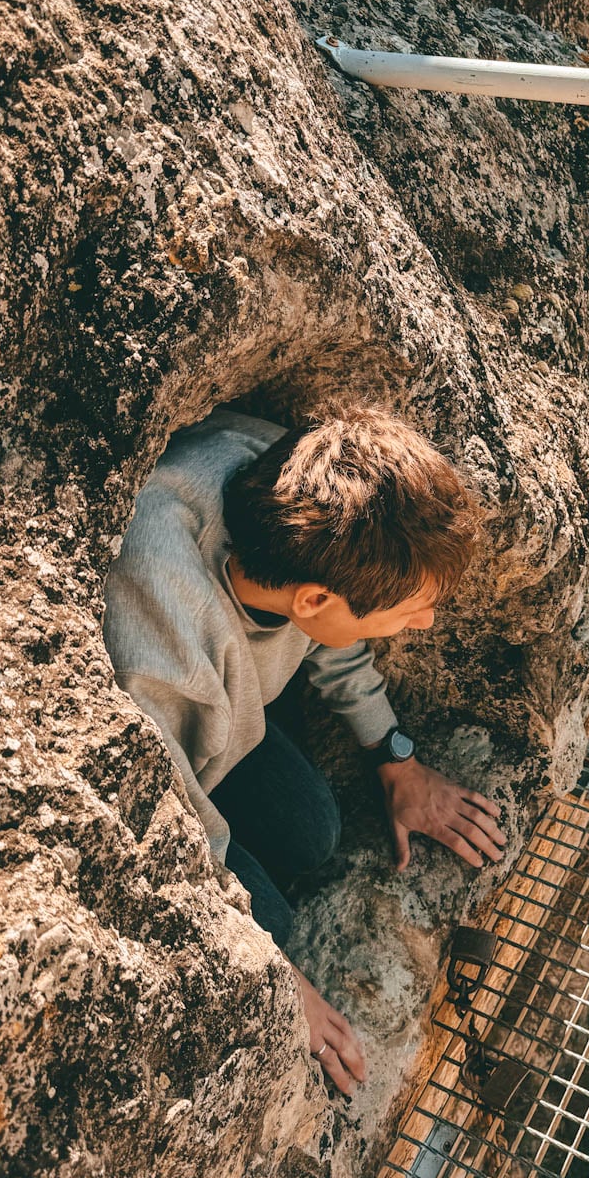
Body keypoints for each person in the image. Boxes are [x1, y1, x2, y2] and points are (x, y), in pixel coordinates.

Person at [101, 401, 506, 1096]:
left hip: (228, 725)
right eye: (406, 611)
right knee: (276, 926)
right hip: (165, 768)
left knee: (315, 831)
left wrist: (394, 755)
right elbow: (160, 814)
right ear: (316, 600)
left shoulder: (290, 476)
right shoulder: (165, 647)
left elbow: (335, 638)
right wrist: (271, 973)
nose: (425, 620)